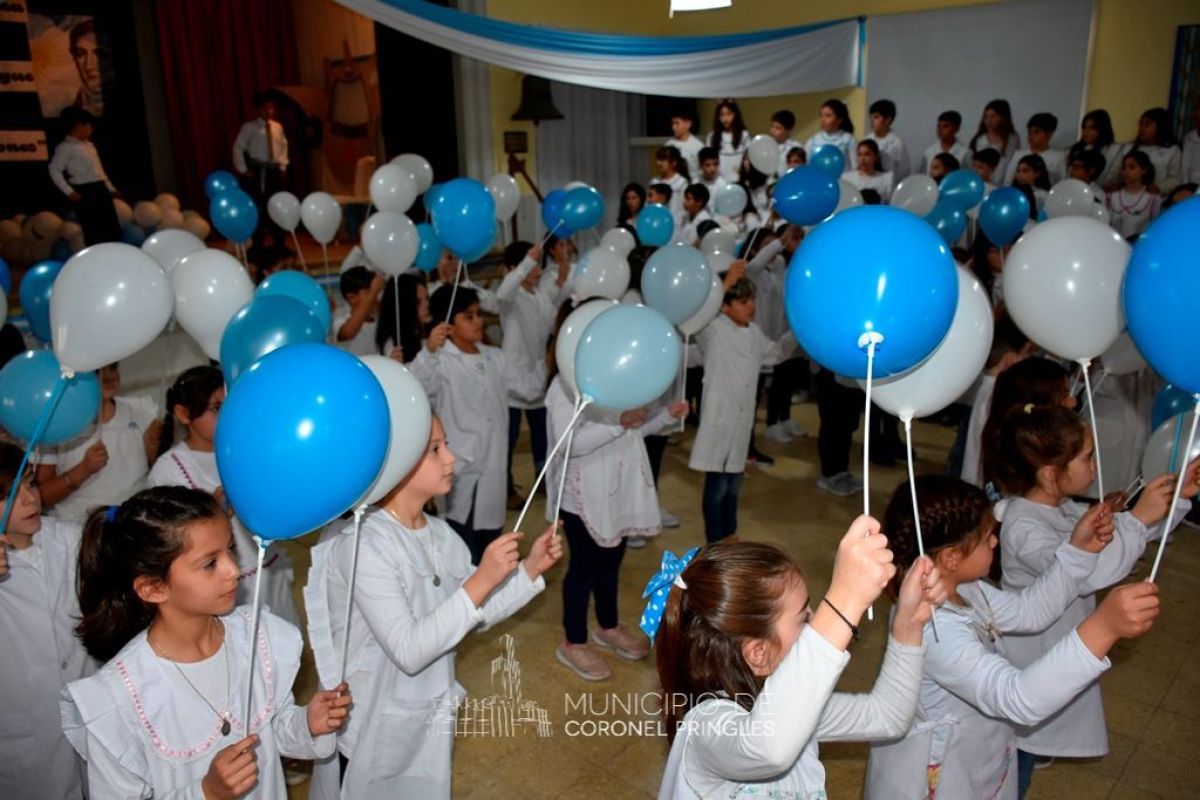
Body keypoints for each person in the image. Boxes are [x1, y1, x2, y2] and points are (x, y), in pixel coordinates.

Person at [304, 417, 560, 796]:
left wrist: (529, 569)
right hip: (367, 723)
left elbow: (474, 613)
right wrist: (481, 580)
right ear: (396, 462)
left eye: (446, 445)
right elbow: (409, 650)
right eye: (435, 450)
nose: (451, 458)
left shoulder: (441, 535)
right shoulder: (361, 545)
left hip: (423, 715)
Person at [865, 475, 1160, 800]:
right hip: (935, 777)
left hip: (974, 756)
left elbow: (1028, 610)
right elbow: (1017, 698)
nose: (995, 542)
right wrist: (1102, 628)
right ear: (951, 557)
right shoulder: (933, 628)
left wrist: (1078, 551)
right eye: (985, 538)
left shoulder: (963, 589)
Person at [62, 486, 351, 798]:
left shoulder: (256, 638)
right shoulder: (119, 698)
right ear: (153, 589)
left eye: (230, 550)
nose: (234, 570)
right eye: (210, 563)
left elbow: (270, 730)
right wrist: (206, 792)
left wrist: (306, 724)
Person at [652, 520, 943, 798]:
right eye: (805, 617)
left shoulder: (795, 707)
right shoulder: (705, 728)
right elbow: (769, 748)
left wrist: (909, 624)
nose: (816, 623)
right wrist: (844, 601)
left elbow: (888, 716)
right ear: (759, 654)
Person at [994, 405, 1198, 796]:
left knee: (1027, 746)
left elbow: (1112, 540)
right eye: (1087, 457)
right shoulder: (1023, 524)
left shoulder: (1062, 508)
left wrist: (1172, 502)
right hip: (1031, 657)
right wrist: (1138, 519)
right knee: (1014, 755)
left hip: (1053, 648)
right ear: (1051, 474)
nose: (1096, 464)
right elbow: (1086, 570)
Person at [545, 334, 686, 680]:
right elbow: (568, 442)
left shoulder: (617, 379)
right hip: (582, 495)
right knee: (583, 568)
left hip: (617, 491)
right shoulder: (564, 387)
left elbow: (632, 431)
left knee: (611, 562)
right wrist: (619, 423)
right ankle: (573, 641)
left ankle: (607, 625)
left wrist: (664, 417)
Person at [148, 366, 299, 624]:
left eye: (230, 405)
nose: (227, 414)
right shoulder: (169, 469)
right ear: (183, 414)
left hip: (268, 569)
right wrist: (213, 511)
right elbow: (169, 538)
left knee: (281, 635)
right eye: (216, 408)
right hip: (220, 586)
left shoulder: (247, 449)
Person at [409, 287, 546, 563]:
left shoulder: (495, 357)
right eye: (468, 316)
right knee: (461, 551)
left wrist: (550, 359)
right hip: (460, 473)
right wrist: (430, 351)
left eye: (478, 314)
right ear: (447, 325)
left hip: (493, 471)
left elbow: (530, 389)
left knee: (490, 546)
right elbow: (417, 387)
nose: (478, 321)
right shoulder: (441, 361)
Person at [0, 443, 96, 800]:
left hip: (86, 708)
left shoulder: (70, 538)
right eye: (8, 495)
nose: (29, 499)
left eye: (30, 484)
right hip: (25, 729)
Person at [689, 269, 799, 542]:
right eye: (743, 301)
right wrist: (724, 284)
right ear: (724, 306)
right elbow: (699, 313)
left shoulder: (754, 332)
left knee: (733, 486)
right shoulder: (713, 330)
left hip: (741, 424)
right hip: (719, 421)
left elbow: (775, 353)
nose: (751, 306)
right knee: (716, 487)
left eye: (752, 300)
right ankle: (715, 542)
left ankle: (730, 536)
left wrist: (797, 332)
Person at [35, 362, 161, 524]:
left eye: (113, 367)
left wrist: (155, 451)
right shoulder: (56, 421)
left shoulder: (141, 411)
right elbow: (42, 497)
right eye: (97, 371)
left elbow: (160, 474)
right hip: (78, 527)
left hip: (133, 524)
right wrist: (83, 470)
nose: (109, 377)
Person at [495, 241, 553, 510]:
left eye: (537, 264)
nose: (537, 270)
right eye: (531, 265)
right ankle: (504, 488)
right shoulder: (511, 296)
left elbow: (551, 321)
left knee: (542, 431)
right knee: (509, 437)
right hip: (513, 378)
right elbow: (503, 291)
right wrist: (525, 263)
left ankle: (543, 478)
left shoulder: (540, 294)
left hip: (537, 374)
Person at [959, 313, 1031, 487]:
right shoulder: (997, 395)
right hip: (985, 482)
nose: (1029, 359)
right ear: (1010, 360)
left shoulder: (987, 388)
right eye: (1027, 353)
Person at [49, 107, 121, 245]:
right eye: (88, 126)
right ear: (78, 126)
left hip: (100, 188)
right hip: (85, 191)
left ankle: (113, 253)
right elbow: (54, 170)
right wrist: (69, 192)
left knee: (111, 228)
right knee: (93, 230)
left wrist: (111, 188)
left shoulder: (89, 145)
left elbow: (99, 170)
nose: (91, 129)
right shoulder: (65, 147)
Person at [233, 92, 289, 247]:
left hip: (274, 170)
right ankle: (258, 244)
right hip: (258, 170)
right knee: (259, 206)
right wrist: (243, 169)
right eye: (265, 108)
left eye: (271, 108)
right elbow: (238, 147)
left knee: (276, 205)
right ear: (258, 109)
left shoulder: (277, 127)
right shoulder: (249, 127)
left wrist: (283, 165)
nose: (269, 111)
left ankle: (279, 243)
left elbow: (283, 146)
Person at [1120, 107, 1182, 194]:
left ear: (1161, 127)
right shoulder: (1129, 148)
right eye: (1140, 124)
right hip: (1129, 194)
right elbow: (1120, 174)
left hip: (1158, 197)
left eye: (1147, 125)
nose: (1141, 128)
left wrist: (1158, 187)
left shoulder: (1172, 150)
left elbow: (1175, 178)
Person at [1106, 150, 1163, 240]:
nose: (1126, 171)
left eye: (1132, 167)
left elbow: (1155, 228)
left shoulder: (1152, 198)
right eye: (1124, 168)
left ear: (1144, 170)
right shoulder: (1112, 196)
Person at [375, 273, 430, 362]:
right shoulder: (392, 345)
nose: (427, 304)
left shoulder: (425, 329)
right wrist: (429, 350)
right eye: (418, 302)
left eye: (427, 298)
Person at [333, 267, 385, 357]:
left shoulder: (380, 321)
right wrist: (372, 294)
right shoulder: (340, 321)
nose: (375, 298)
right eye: (369, 293)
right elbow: (347, 333)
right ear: (351, 298)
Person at [1003, 113, 1066, 185]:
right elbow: (1008, 181)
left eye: (1037, 132)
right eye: (1029, 132)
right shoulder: (1018, 155)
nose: (1031, 136)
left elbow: (1062, 183)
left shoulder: (1059, 157)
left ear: (1049, 134)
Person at [1068, 109, 1123, 189]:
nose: (1086, 131)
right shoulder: (1076, 149)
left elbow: (1112, 176)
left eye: (1092, 128)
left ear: (1102, 128)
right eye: (1084, 127)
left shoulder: (1114, 150)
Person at [971, 99, 1022, 185]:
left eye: (993, 117)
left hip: (1004, 182)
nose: (989, 121)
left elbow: (1011, 166)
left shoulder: (1012, 140)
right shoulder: (980, 139)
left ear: (1003, 118)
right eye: (986, 117)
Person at [804, 98, 857, 171]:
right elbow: (805, 165)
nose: (823, 120)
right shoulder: (813, 140)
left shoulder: (848, 140)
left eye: (828, 116)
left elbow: (855, 167)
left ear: (839, 119)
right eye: (821, 116)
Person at [708, 99, 751, 183]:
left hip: (739, 179)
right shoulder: (712, 136)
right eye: (721, 115)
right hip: (718, 180)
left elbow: (747, 158)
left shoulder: (744, 135)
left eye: (729, 114)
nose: (725, 118)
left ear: (735, 115)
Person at [866, 98, 911, 180]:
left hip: (889, 184)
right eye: (871, 117)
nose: (871, 121)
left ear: (887, 120)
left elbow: (903, 172)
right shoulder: (867, 140)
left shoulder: (897, 143)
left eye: (876, 117)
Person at [919, 110, 970, 177]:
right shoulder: (929, 152)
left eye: (945, 126)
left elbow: (968, 176)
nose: (940, 130)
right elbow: (924, 177)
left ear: (957, 129)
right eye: (939, 126)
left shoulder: (965, 153)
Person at [651, 145, 690, 220]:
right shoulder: (654, 181)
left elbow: (684, 209)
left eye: (663, 160)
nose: (658, 163)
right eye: (658, 159)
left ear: (673, 163)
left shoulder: (681, 183)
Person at [665, 110, 705, 180]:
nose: (673, 127)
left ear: (688, 124)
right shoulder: (669, 145)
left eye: (677, 123)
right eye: (672, 124)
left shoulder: (698, 146)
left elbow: (701, 171)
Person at [768, 109, 803, 177]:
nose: (773, 131)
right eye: (772, 126)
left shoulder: (796, 148)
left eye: (778, 128)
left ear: (788, 131)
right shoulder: (767, 145)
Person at [696, 147, 728, 212]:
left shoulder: (722, 185)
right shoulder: (696, 182)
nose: (712, 169)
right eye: (708, 165)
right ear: (701, 165)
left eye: (715, 164)